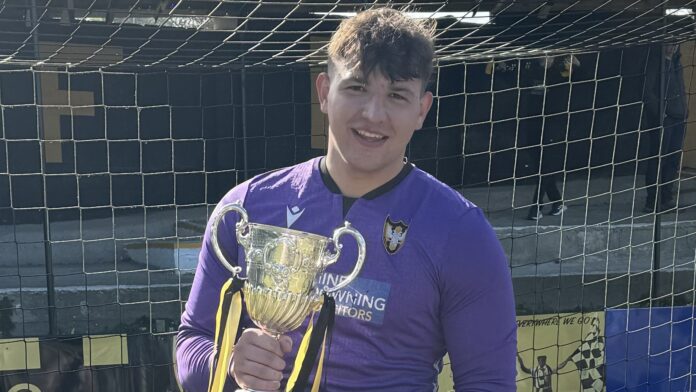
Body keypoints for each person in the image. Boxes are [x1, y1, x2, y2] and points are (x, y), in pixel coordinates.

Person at [176, 7, 517, 391]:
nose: (373, 114)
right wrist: (228, 362)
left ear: (422, 110)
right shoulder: (250, 206)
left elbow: (488, 382)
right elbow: (192, 340)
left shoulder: (461, 232)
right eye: (356, 87)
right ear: (324, 92)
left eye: (397, 95)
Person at [642, 43, 687, 213]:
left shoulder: (677, 63)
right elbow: (647, 91)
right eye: (669, 42)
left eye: (675, 43)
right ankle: (652, 200)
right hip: (664, 119)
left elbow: (681, 88)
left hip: (679, 117)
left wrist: (685, 109)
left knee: (673, 159)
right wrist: (661, 113)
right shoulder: (655, 62)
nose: (672, 46)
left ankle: (667, 197)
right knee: (658, 158)